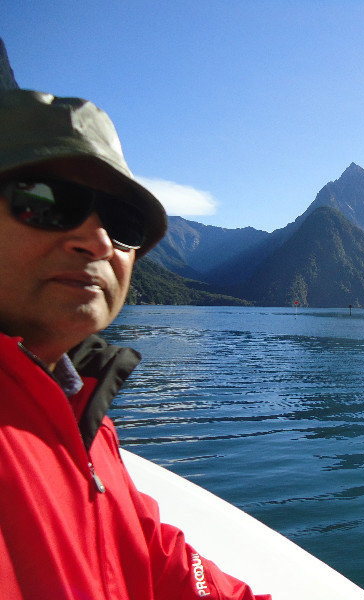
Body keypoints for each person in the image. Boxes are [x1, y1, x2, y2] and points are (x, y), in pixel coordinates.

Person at [0, 89, 271, 599]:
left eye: (123, 224)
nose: (99, 242)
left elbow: (151, 557)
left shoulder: (81, 414)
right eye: (44, 201)